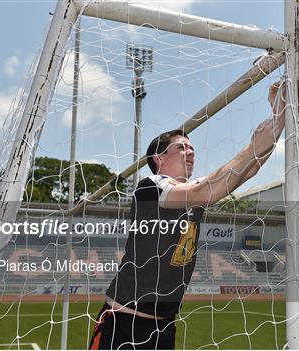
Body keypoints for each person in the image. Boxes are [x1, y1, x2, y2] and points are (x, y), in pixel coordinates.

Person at [89, 81, 287, 350]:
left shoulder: (192, 193)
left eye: (192, 149)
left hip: (164, 325)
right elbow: (209, 190)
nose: (191, 152)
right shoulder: (151, 186)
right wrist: (261, 135)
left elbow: (246, 171)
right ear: (159, 158)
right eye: (182, 148)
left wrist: (279, 116)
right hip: (125, 323)